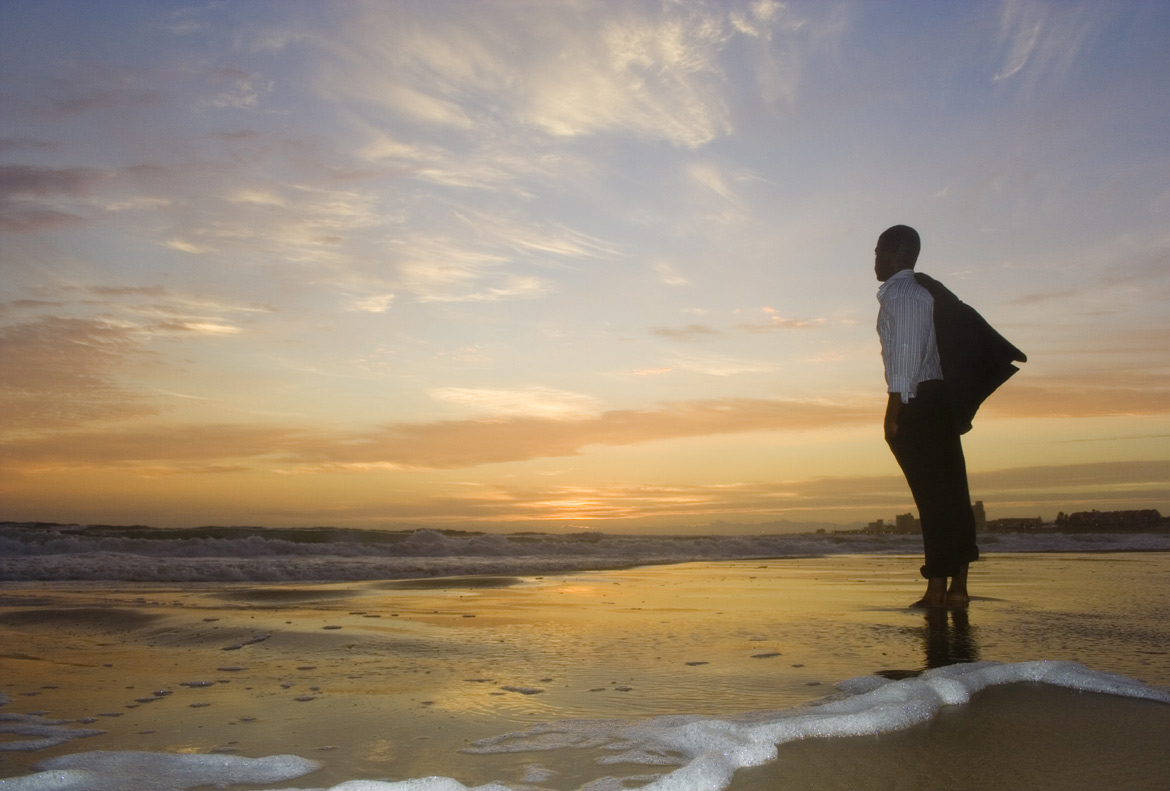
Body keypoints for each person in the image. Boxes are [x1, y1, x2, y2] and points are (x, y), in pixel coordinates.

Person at [874, 224, 978, 608]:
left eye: (877, 253)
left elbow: (906, 356)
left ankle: (938, 589)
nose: (874, 261)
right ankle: (956, 588)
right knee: (951, 493)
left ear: (893, 253)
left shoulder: (903, 295)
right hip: (936, 398)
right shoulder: (923, 292)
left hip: (918, 400)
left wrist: (893, 411)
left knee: (932, 498)